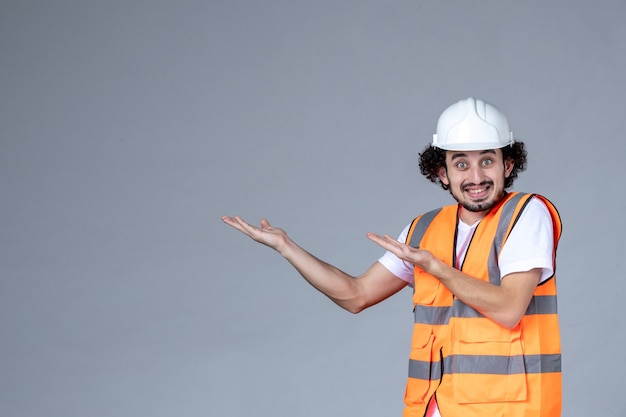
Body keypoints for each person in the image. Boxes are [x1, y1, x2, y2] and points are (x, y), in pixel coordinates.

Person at [222, 97, 562, 417]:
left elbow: (509, 308)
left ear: (508, 164)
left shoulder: (527, 213)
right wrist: (286, 247)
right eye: (461, 163)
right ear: (442, 172)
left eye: (487, 160)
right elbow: (356, 295)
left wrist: (434, 267)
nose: (475, 177)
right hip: (434, 407)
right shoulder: (424, 229)